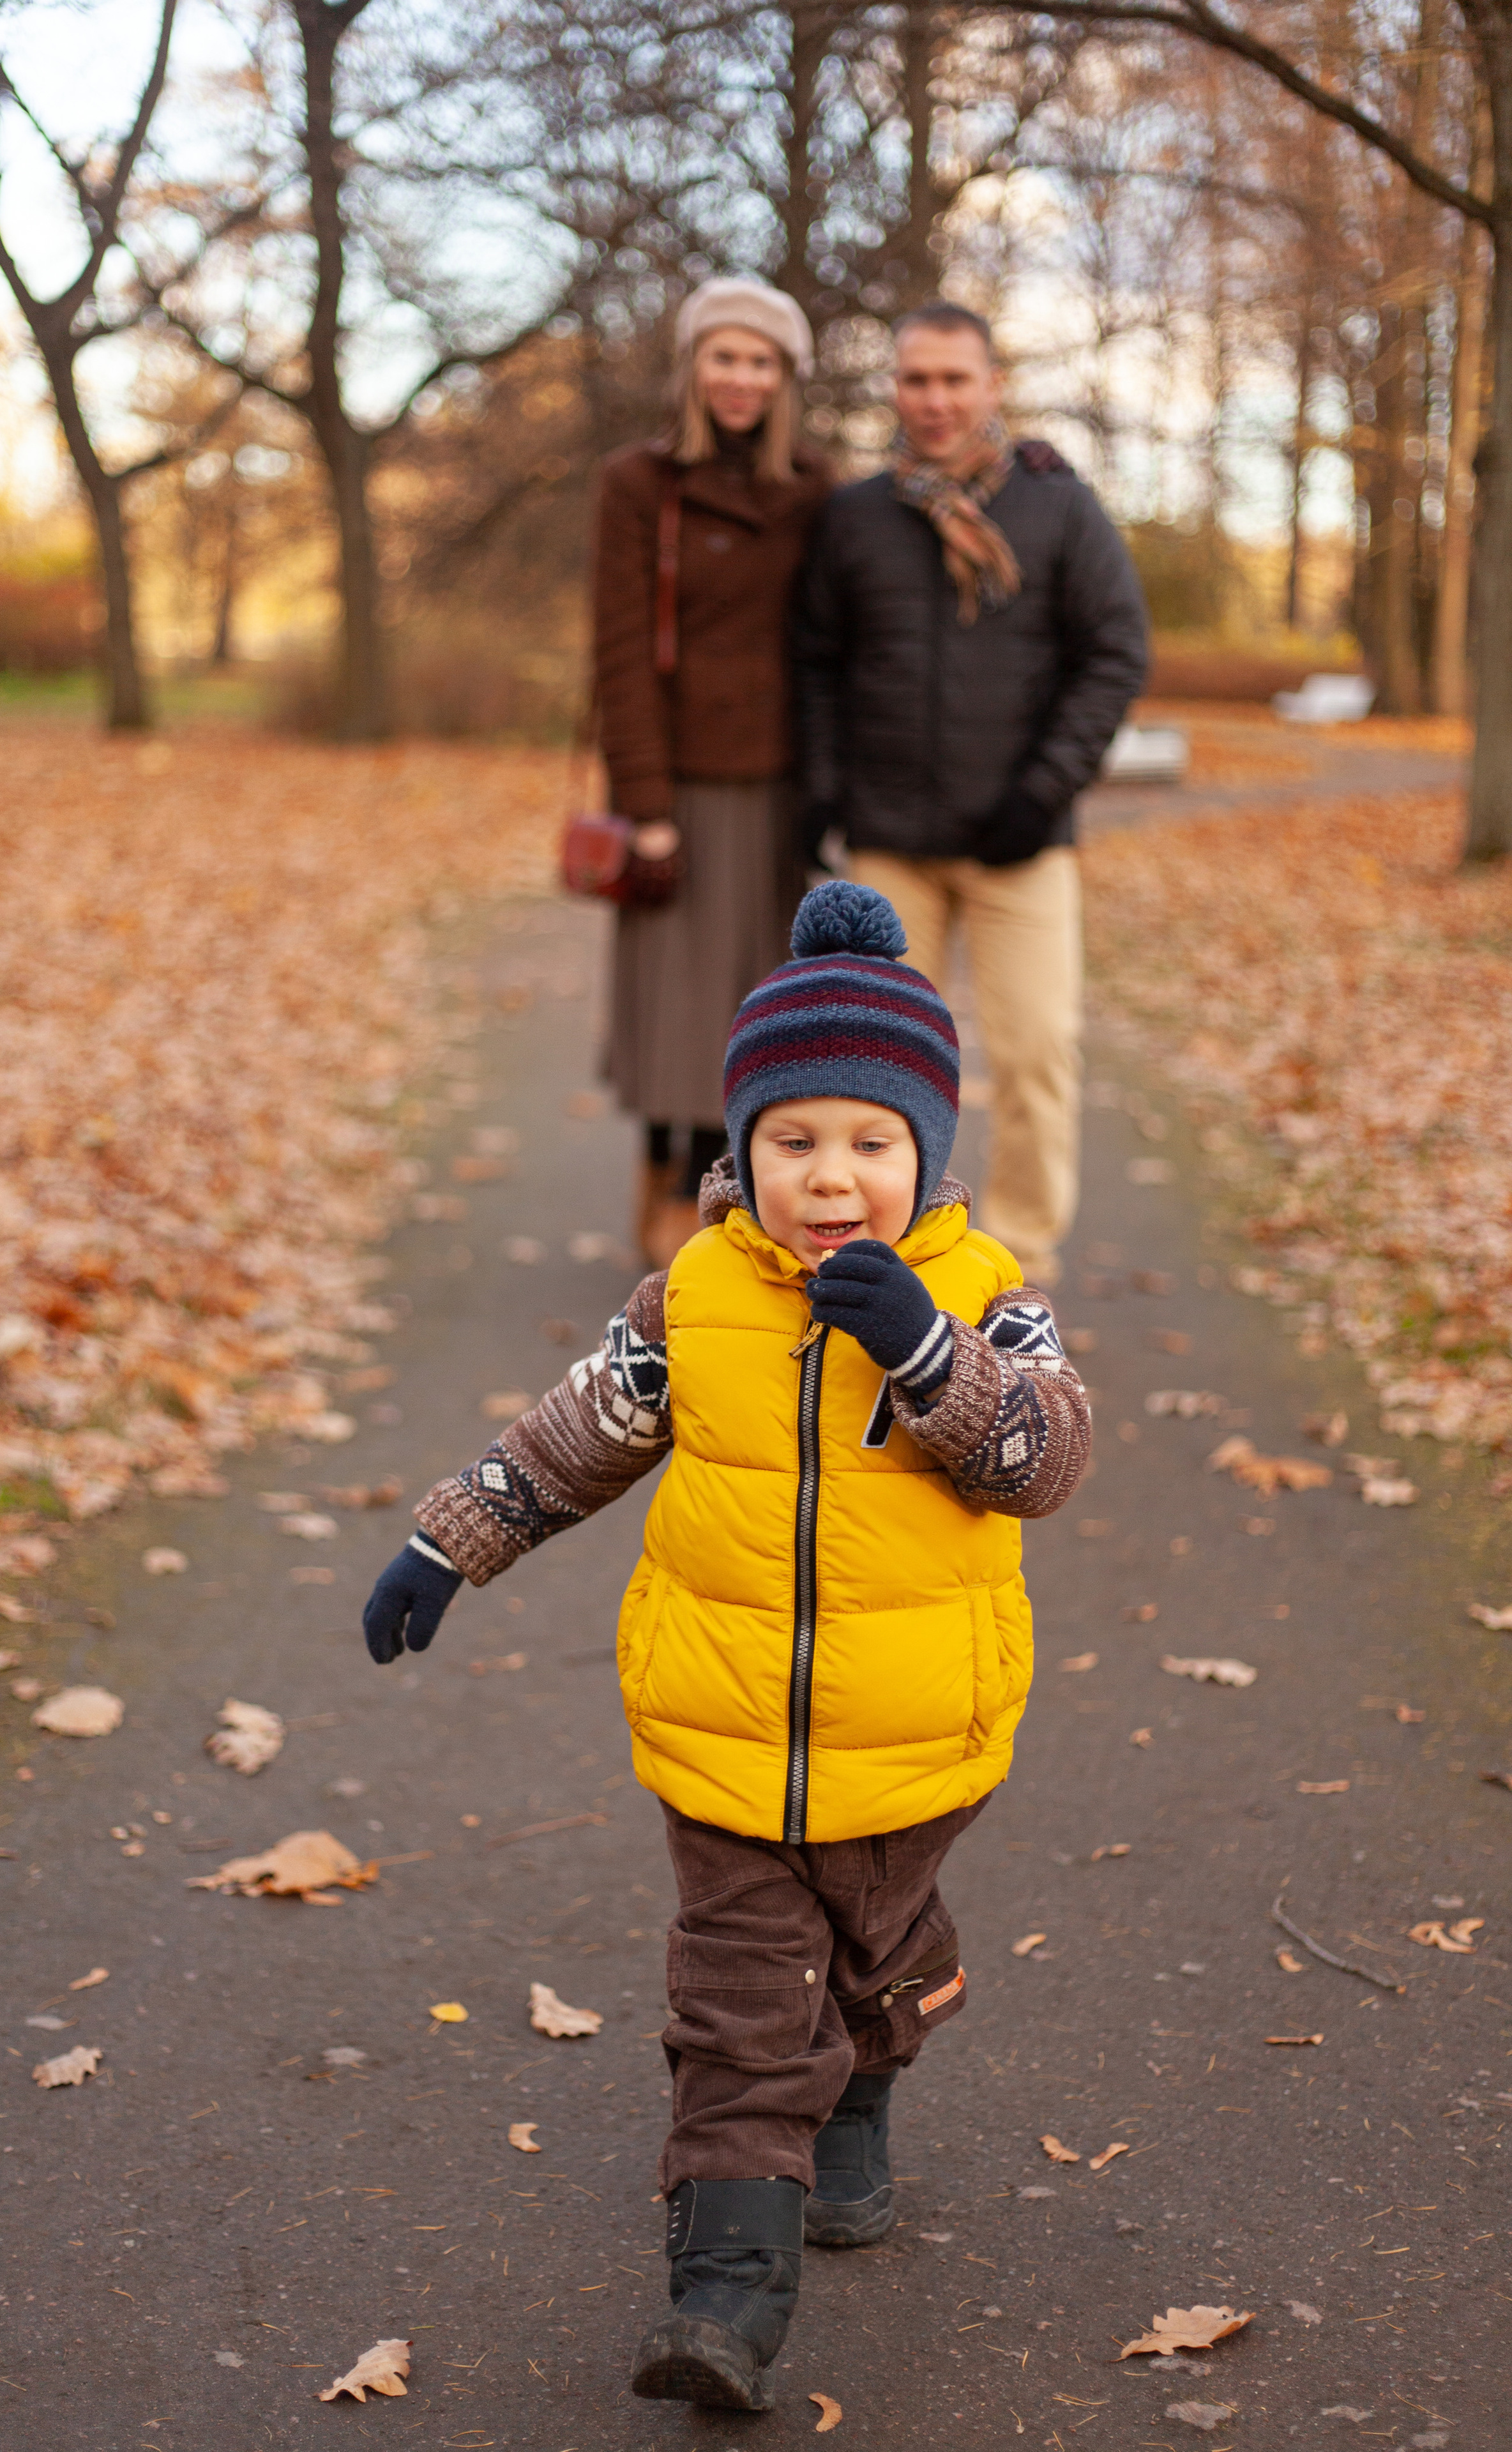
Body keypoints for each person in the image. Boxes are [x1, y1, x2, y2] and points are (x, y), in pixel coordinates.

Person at [361, 881, 1092, 2413]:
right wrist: (449, 1540)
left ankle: (863, 2096)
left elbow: (1039, 1458)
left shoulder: (983, 1302)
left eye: (870, 1143)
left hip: (915, 1742)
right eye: (794, 1141)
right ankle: (724, 2302)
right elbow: (571, 1440)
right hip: (722, 1733)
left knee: (873, 1976)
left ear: (926, 1153)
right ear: (740, 1150)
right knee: (741, 2016)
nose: (832, 1180)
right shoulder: (687, 1302)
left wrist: (923, 1354)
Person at [796, 301, 1149, 1287]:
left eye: (956, 379)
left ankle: (1015, 1270)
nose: (937, 399)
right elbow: (816, 664)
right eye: (917, 379)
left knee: (1038, 1054)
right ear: (894, 388)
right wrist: (823, 794)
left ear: (993, 385)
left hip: (1021, 843)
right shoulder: (855, 515)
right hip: (889, 843)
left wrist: (1043, 793)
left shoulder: (1059, 508)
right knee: (869, 1064)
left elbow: (1116, 655)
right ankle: (871, 1264)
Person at [593, 276, 833, 1266]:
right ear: (694, 367)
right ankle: (666, 1170)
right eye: (724, 356)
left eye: (762, 360)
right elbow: (616, 652)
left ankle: (737, 1185)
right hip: (679, 782)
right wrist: (646, 804)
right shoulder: (637, 485)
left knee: (759, 993)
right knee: (674, 996)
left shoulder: (817, 490)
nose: (741, 377)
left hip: (781, 782)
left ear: (786, 378)